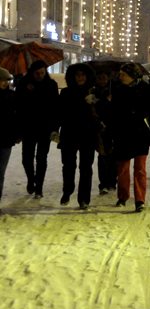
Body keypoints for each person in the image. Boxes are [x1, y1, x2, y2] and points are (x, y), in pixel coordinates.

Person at [110, 64, 150, 212]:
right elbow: (113, 113)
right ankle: (123, 196)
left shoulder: (146, 89)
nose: (120, 77)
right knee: (122, 168)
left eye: (123, 74)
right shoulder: (117, 89)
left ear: (132, 76)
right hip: (123, 134)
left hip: (140, 134)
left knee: (140, 169)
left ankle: (140, 199)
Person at [58, 63, 100, 209]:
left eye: (83, 75)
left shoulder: (93, 93)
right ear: (72, 77)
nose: (80, 78)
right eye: (77, 75)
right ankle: (67, 191)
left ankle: (84, 198)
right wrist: (55, 130)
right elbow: (59, 114)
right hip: (69, 134)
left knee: (86, 167)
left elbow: (101, 114)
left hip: (87, 135)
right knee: (68, 166)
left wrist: (95, 104)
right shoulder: (65, 93)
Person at [16, 60, 60, 198]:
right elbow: (18, 105)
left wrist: (55, 127)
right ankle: (31, 180)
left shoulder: (51, 84)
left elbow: (55, 108)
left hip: (45, 128)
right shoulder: (23, 84)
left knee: (41, 158)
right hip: (28, 128)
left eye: (42, 72)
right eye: (37, 73)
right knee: (26, 158)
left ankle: (39, 187)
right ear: (32, 73)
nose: (40, 75)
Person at [92, 69, 117, 195]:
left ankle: (112, 181)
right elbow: (94, 108)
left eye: (104, 78)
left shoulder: (114, 90)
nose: (102, 80)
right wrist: (105, 101)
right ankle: (103, 183)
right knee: (102, 156)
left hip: (112, 127)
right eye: (100, 77)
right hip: (99, 128)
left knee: (113, 156)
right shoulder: (93, 92)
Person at [0, 67, 20, 214]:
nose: (5, 83)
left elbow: (16, 117)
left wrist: (17, 134)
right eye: (3, 80)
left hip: (5, 139)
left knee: (0, 172)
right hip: (5, 138)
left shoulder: (12, 96)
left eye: (7, 80)